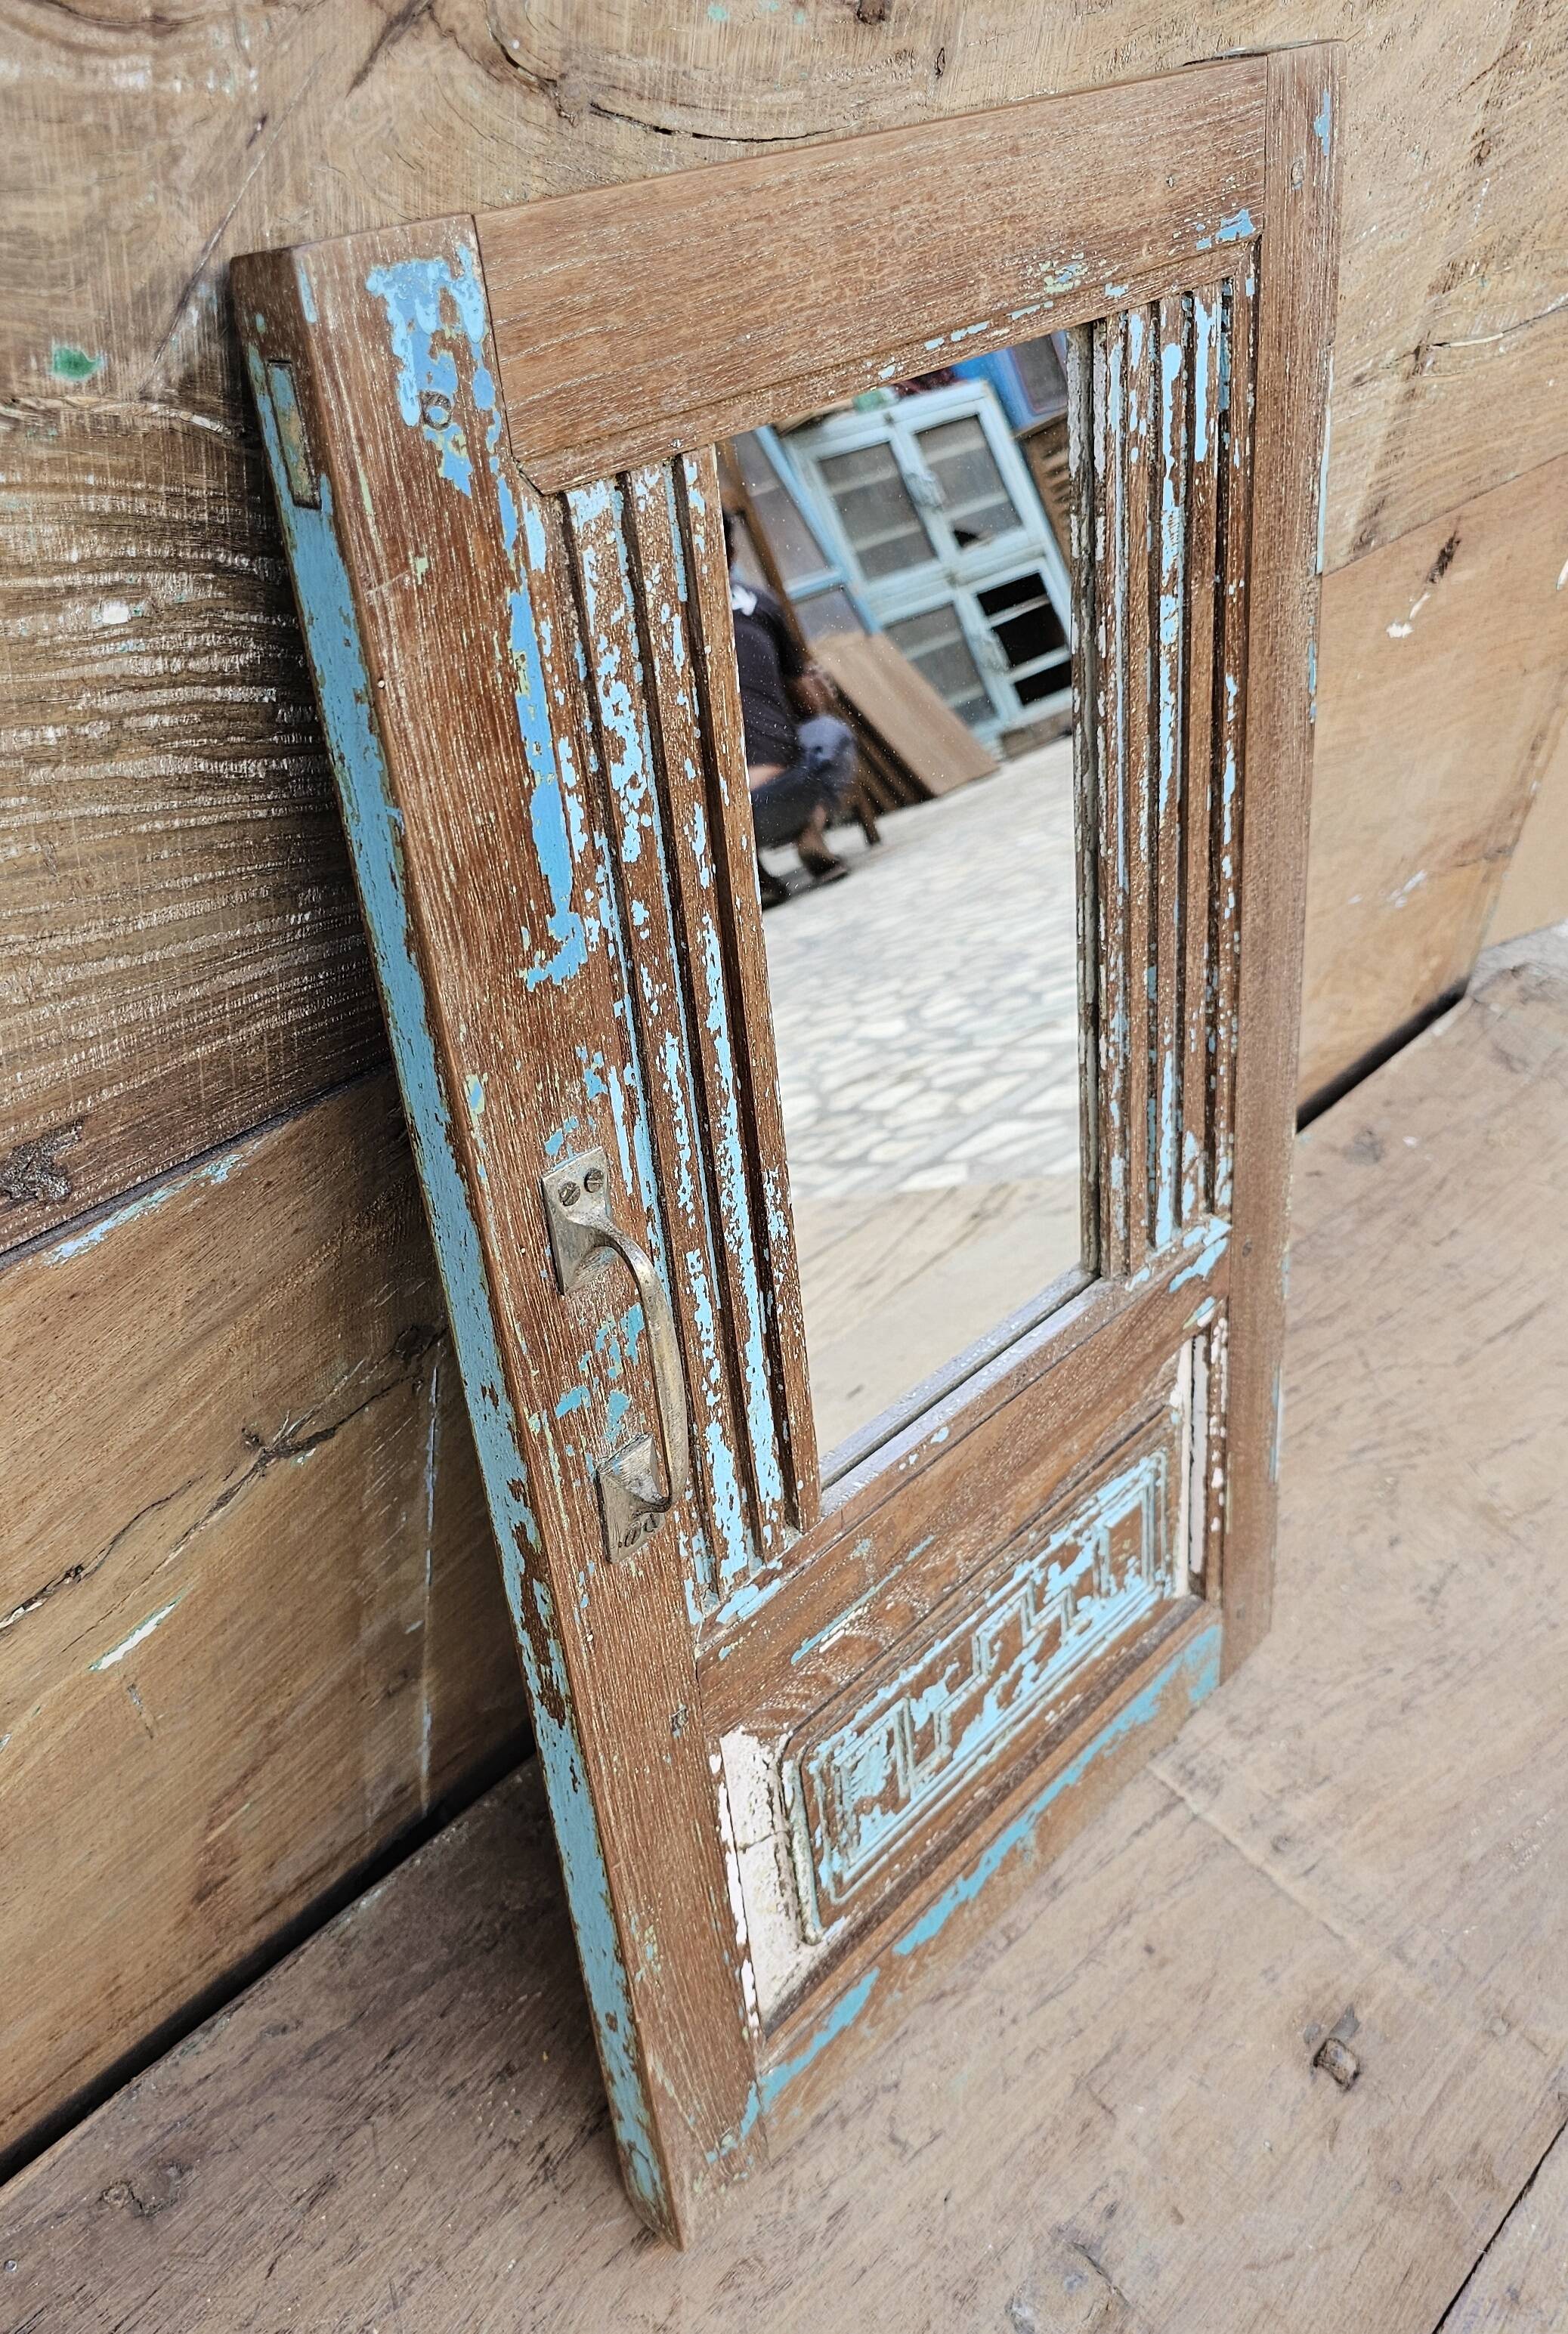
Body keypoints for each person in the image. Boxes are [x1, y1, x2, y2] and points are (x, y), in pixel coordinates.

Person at [725, 518, 858, 904]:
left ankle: (755, 874)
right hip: (790, 792)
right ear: (731, 553)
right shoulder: (757, 603)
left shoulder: (655, 625)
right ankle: (811, 834)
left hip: (721, 820)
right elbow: (808, 703)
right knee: (830, 733)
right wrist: (815, 689)